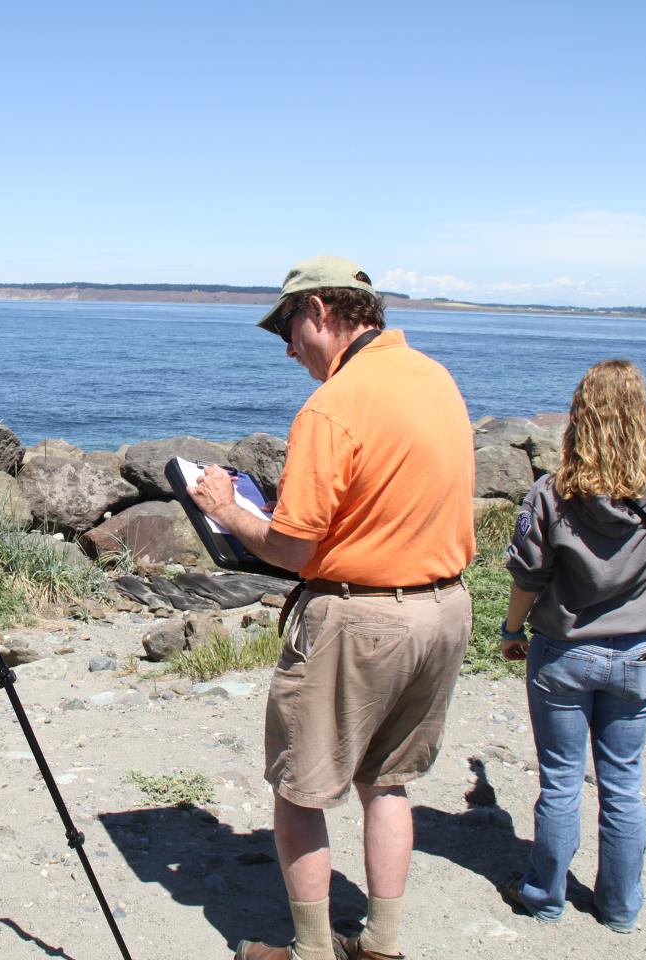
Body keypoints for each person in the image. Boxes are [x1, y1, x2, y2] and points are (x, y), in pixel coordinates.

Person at [187, 256, 476, 960]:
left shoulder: (333, 405)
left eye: (287, 328)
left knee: (301, 789)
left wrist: (228, 511)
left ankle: (313, 951)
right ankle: (381, 944)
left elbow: (292, 548)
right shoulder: (434, 377)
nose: (288, 349)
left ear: (318, 310)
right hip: (442, 609)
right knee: (388, 782)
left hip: (360, 619)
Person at [499, 358, 646, 935]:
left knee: (561, 781)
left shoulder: (552, 492)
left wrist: (511, 631)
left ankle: (545, 897)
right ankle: (620, 907)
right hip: (634, 652)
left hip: (564, 651)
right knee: (622, 786)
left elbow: (528, 576)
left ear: (580, 415)